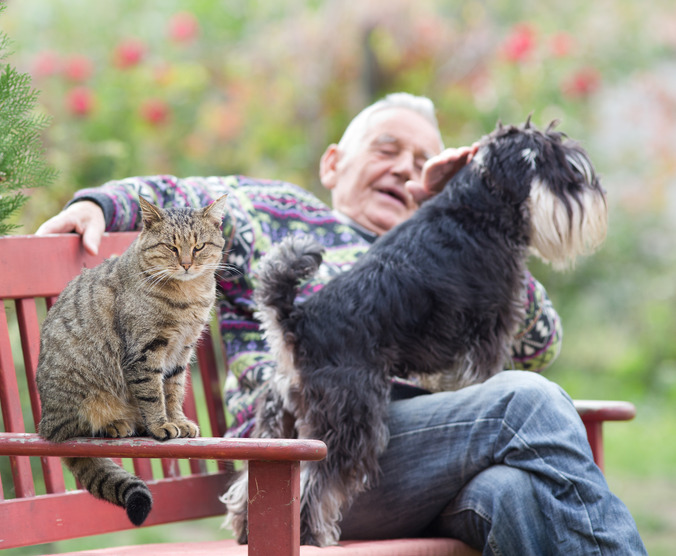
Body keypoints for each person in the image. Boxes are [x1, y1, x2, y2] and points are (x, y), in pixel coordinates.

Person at [36, 93, 646, 554]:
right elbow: (175, 197)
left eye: (420, 160)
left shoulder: (448, 240)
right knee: (527, 402)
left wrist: (467, 209)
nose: (404, 169)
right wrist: (95, 202)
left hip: (423, 468)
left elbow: (539, 340)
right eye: (386, 149)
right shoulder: (274, 212)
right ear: (333, 162)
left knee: (516, 495)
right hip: (307, 470)